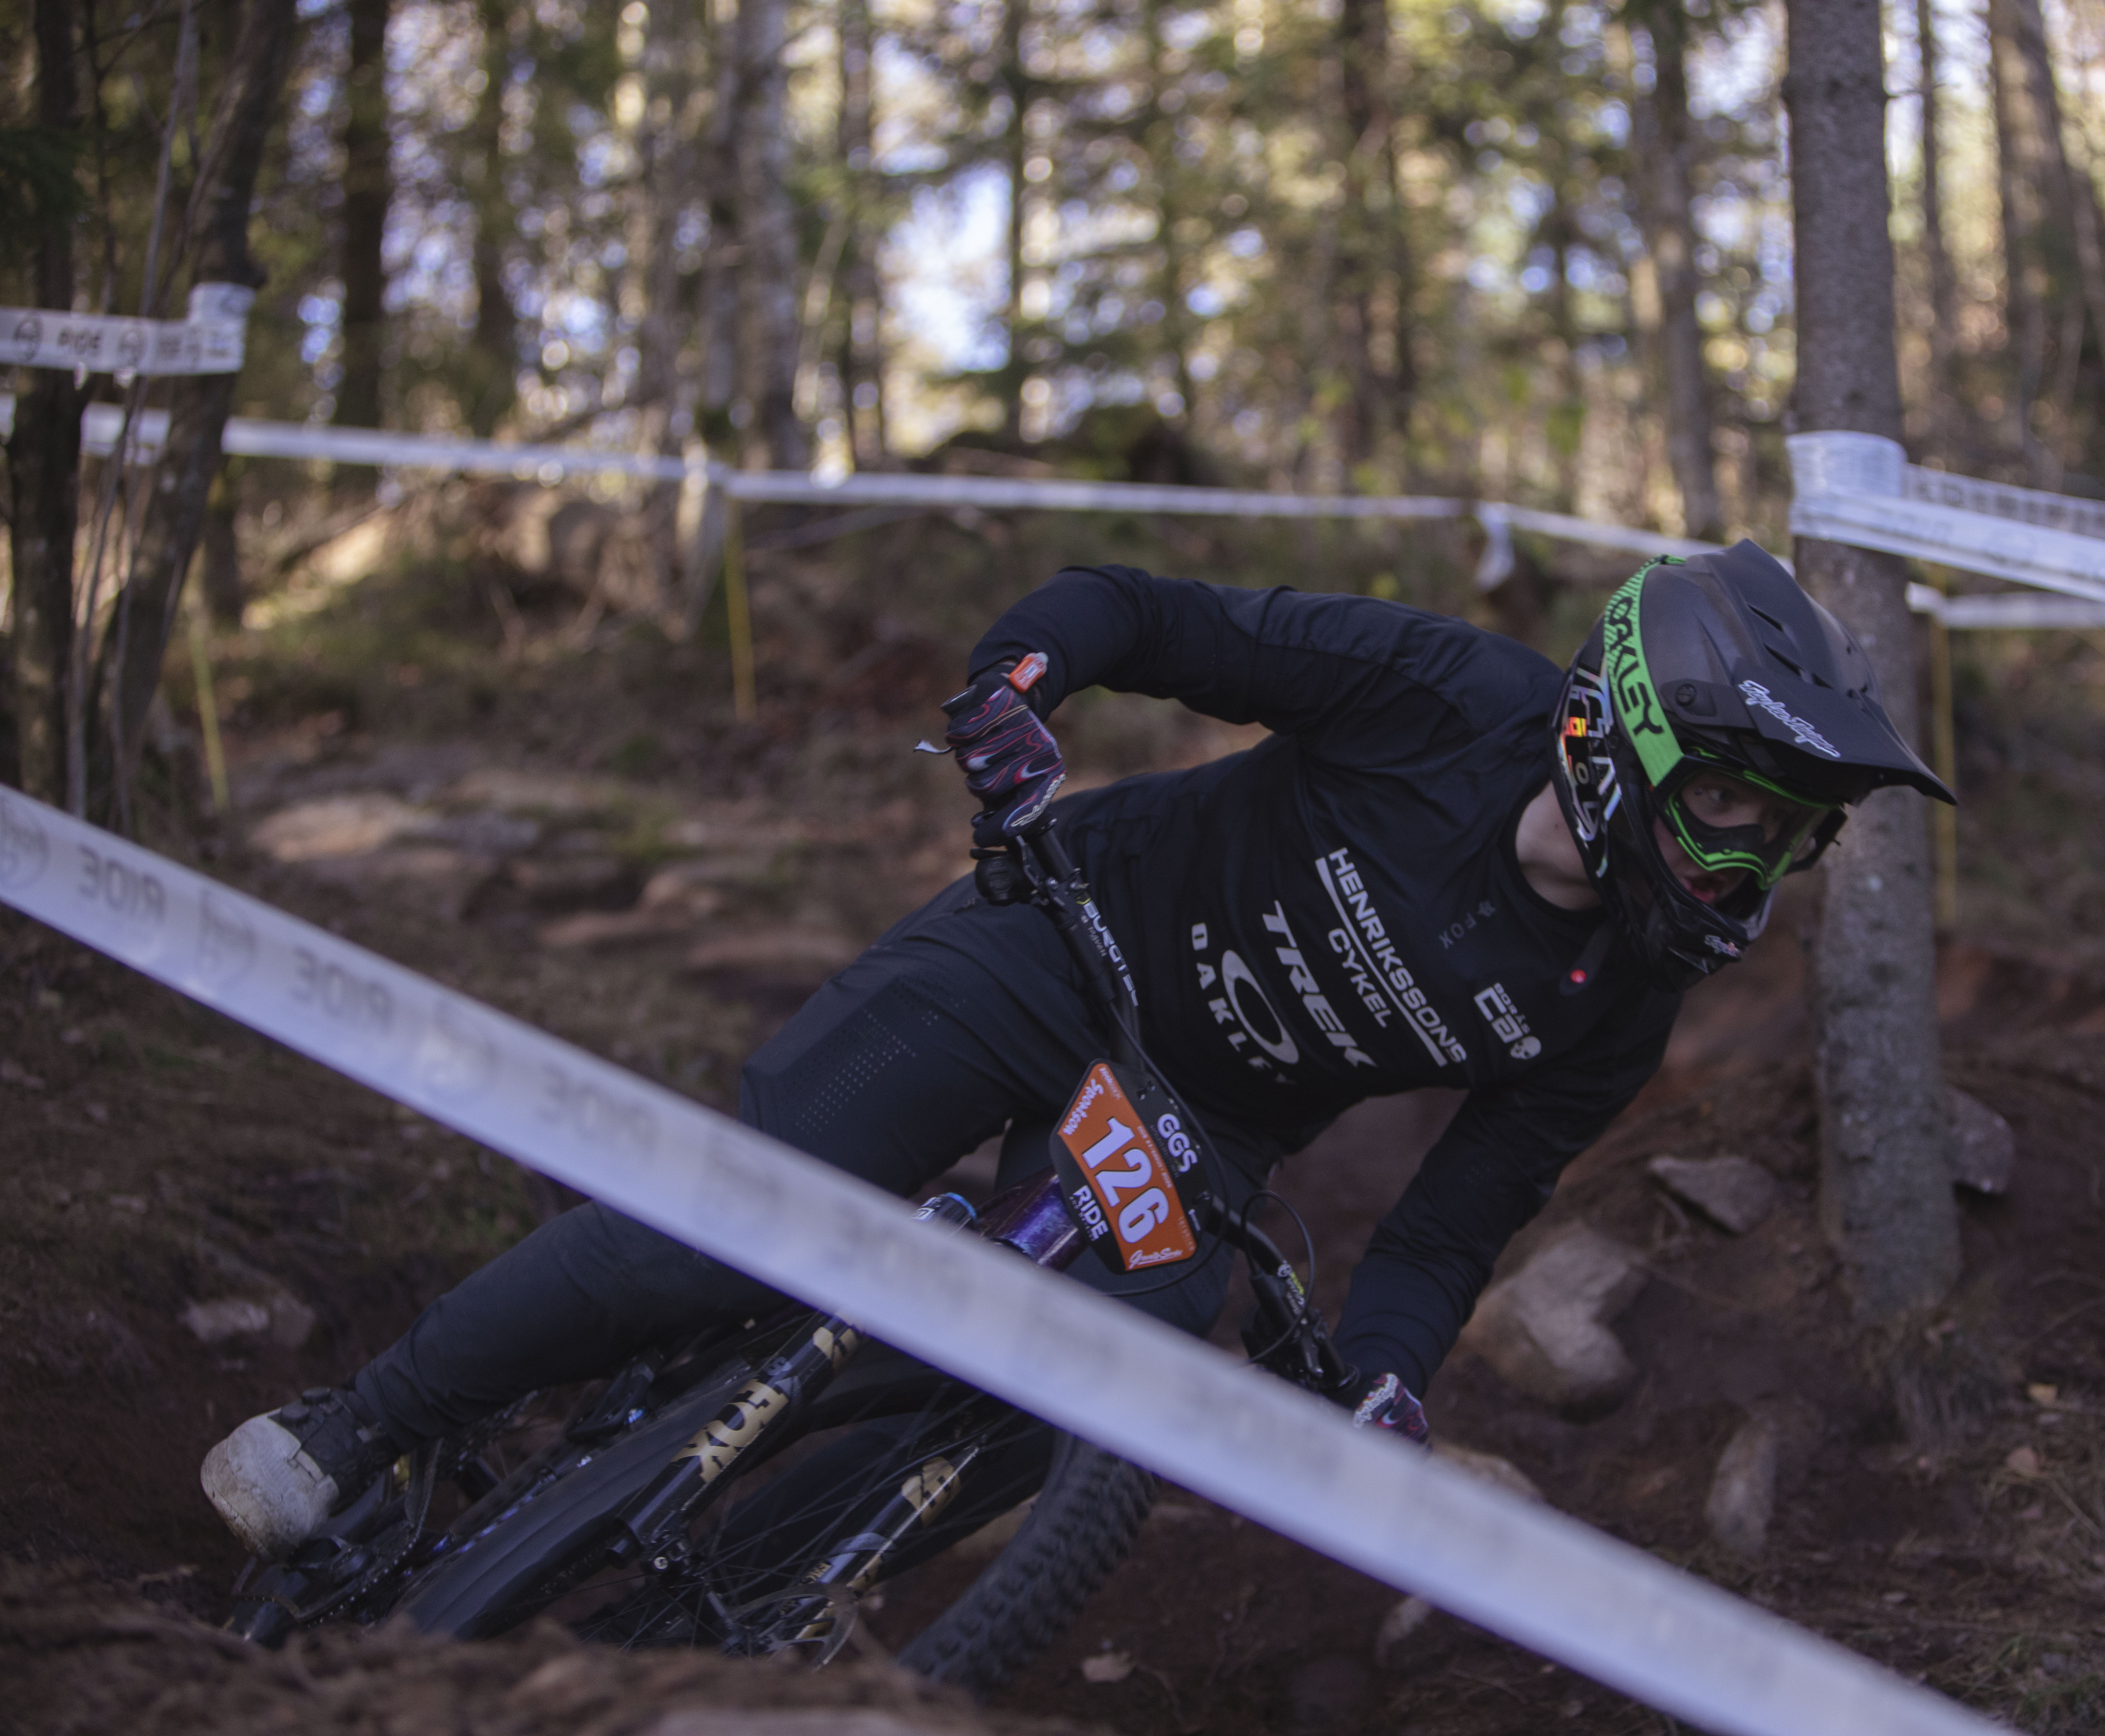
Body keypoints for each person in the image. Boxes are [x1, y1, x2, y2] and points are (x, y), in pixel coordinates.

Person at [202, 541, 1951, 1557]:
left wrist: (1389, 1384)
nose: (1754, 862)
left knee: (1095, 1393)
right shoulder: (1446, 701)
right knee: (725, 1222)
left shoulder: (1618, 997)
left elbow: (1449, 1225)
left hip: (1199, 1127)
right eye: (1737, 805)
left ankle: (720, 1588)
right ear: (1626, 738)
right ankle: (360, 1428)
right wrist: (1016, 688)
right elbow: (1150, 616)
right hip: (1058, 947)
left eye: (1790, 833)